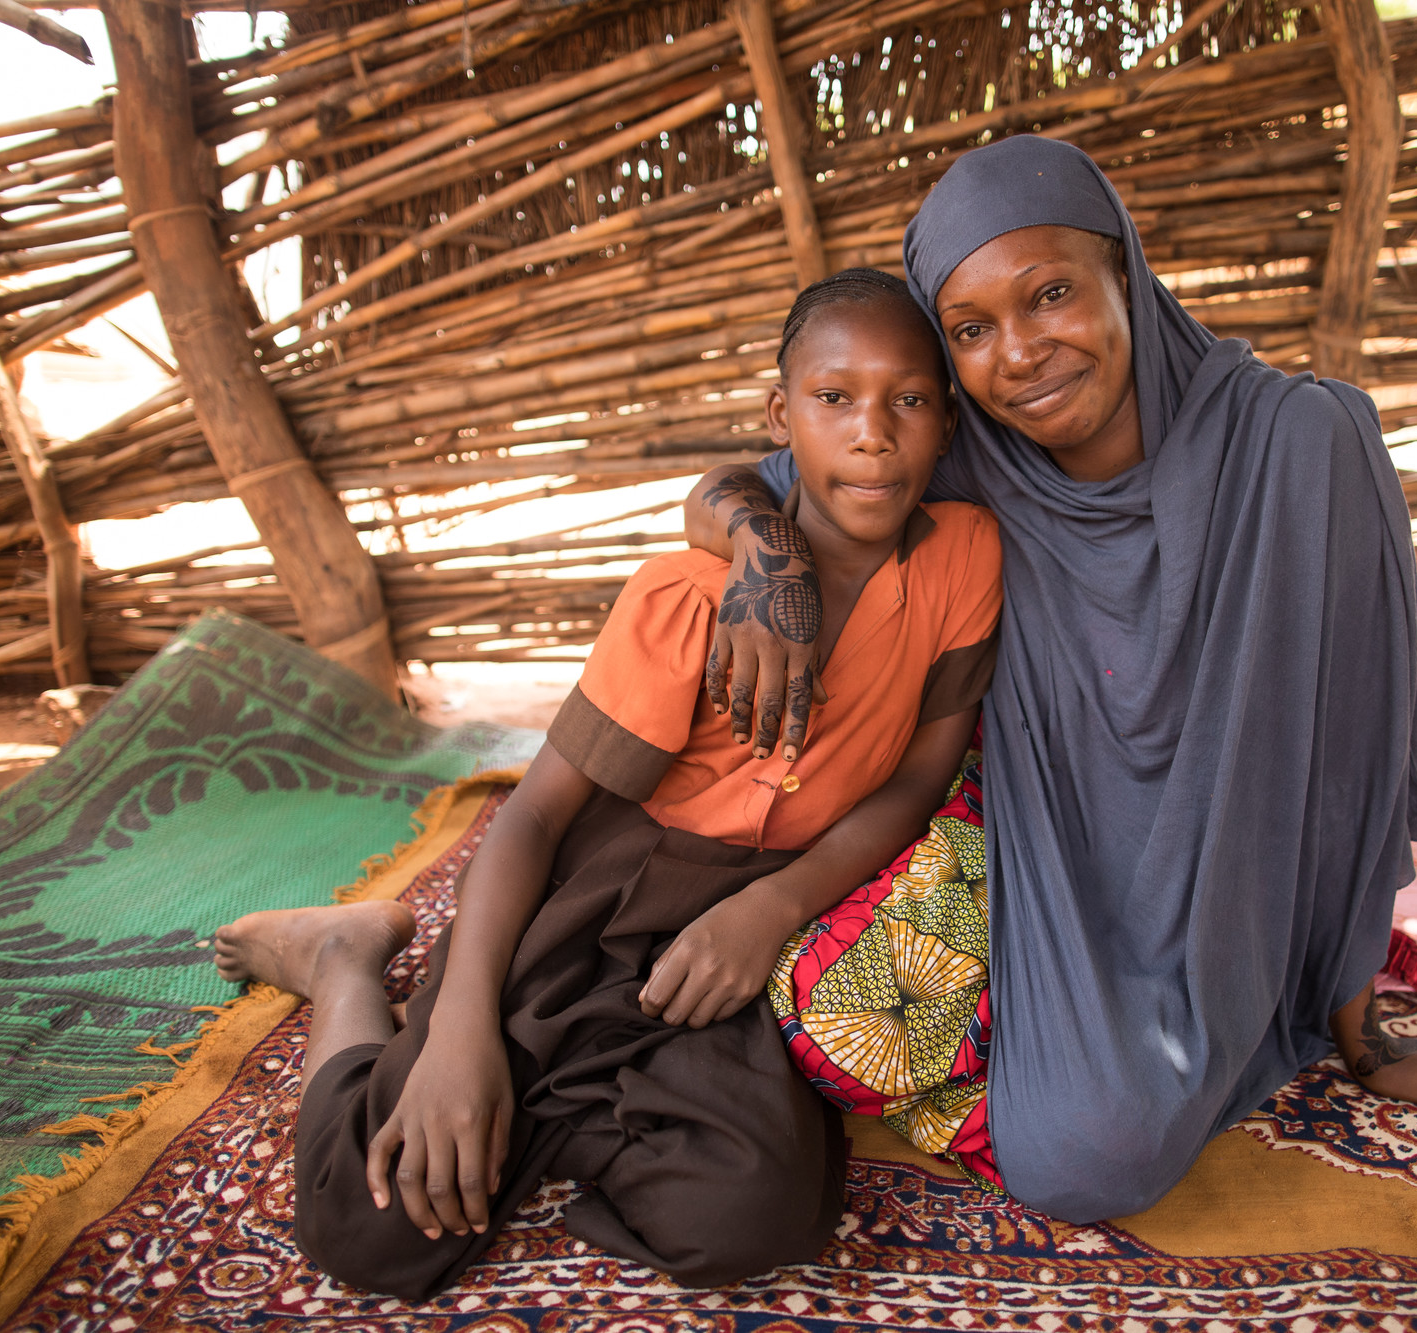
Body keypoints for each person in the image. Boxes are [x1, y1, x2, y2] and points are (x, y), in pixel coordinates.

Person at [687, 135, 1417, 1223]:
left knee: (1084, 1161)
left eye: (1050, 293)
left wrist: (1360, 1034)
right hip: (1034, 857)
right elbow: (743, 478)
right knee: (814, 1005)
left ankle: (1019, 1053)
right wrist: (760, 559)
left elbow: (1354, 754)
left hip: (1221, 881)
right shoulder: (970, 457)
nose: (1017, 352)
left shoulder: (1300, 444)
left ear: (1126, 273)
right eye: (968, 330)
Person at [213, 268, 1003, 1296]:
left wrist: (769, 908)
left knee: (750, 1217)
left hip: (748, 933)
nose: (871, 433)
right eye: (833, 398)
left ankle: (551, 1112)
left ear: (945, 422)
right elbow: (535, 817)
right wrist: (458, 1026)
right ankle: (346, 962)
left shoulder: (962, 562)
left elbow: (915, 781)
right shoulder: (683, 597)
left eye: (908, 400)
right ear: (779, 414)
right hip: (596, 902)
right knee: (365, 1224)